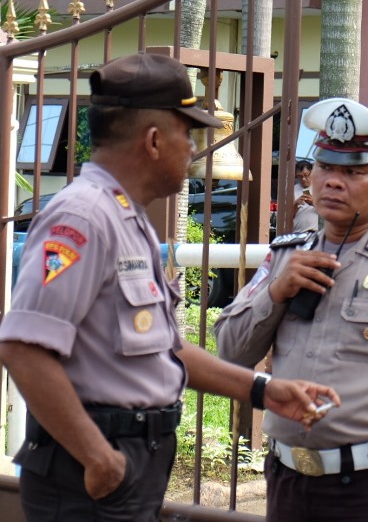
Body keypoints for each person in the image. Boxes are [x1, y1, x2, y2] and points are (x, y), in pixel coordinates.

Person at [0, 53, 338, 522]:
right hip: (90, 469)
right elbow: (23, 348)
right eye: (188, 134)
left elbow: (165, 350)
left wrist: (263, 390)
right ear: (154, 140)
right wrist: (98, 457)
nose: (194, 149)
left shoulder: (126, 218)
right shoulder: (82, 218)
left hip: (127, 461)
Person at [215, 97, 368, 522]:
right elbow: (230, 352)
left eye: (353, 172)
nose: (333, 182)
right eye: (325, 167)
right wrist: (276, 292)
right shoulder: (286, 257)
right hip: (287, 480)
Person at [292, 159, 319, 232]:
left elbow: (326, 212)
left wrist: (313, 202)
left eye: (306, 175)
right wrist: (296, 203)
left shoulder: (318, 188)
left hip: (314, 232)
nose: (303, 179)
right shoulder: (293, 190)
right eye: (300, 176)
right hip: (297, 232)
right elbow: (288, 216)